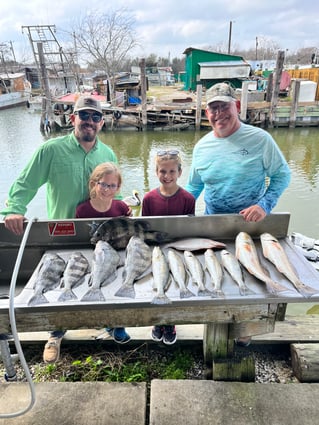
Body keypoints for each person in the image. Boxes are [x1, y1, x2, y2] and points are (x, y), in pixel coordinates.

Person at [1, 95, 129, 362]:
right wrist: (14, 209)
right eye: (84, 116)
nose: (89, 122)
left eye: (95, 117)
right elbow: (25, 183)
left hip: (102, 234)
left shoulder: (108, 154)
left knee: (106, 275)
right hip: (63, 231)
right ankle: (56, 332)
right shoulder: (50, 150)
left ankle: (111, 322)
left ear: (102, 123)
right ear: (73, 119)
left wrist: (122, 210)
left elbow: (113, 190)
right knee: (61, 279)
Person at [186, 82, 291, 346]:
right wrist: (173, 208)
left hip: (251, 225)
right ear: (206, 112)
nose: (219, 113)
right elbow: (194, 187)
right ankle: (217, 331)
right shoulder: (201, 147)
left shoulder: (259, 139)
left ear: (238, 106)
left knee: (254, 280)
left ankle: (243, 333)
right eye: (213, 108)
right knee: (217, 279)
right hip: (214, 224)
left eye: (224, 106)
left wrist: (264, 205)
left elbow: (282, 175)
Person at [142, 149, 195, 344]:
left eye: (172, 171)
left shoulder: (188, 199)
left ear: (180, 173)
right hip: (155, 249)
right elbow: (145, 229)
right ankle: (158, 321)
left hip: (178, 248)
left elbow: (189, 228)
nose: (167, 176)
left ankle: (171, 321)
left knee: (176, 283)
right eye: (163, 171)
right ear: (156, 172)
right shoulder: (148, 199)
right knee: (157, 282)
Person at [76, 162, 132, 344]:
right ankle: (100, 321)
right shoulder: (82, 209)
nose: (107, 189)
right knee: (96, 285)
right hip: (95, 256)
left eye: (112, 185)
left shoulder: (121, 208)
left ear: (118, 187)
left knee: (118, 288)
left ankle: (118, 324)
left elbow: (129, 230)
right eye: (103, 184)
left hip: (118, 253)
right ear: (94, 183)